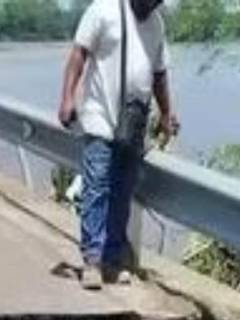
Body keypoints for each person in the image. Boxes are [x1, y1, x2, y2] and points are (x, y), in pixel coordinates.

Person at [58, 0, 176, 290]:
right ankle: (92, 261)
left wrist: (166, 113)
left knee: (122, 192)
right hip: (100, 115)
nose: (154, 5)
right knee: (97, 187)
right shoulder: (103, 10)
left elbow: (159, 73)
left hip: (133, 122)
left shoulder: (156, 24)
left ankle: (112, 260)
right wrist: (67, 98)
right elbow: (78, 54)